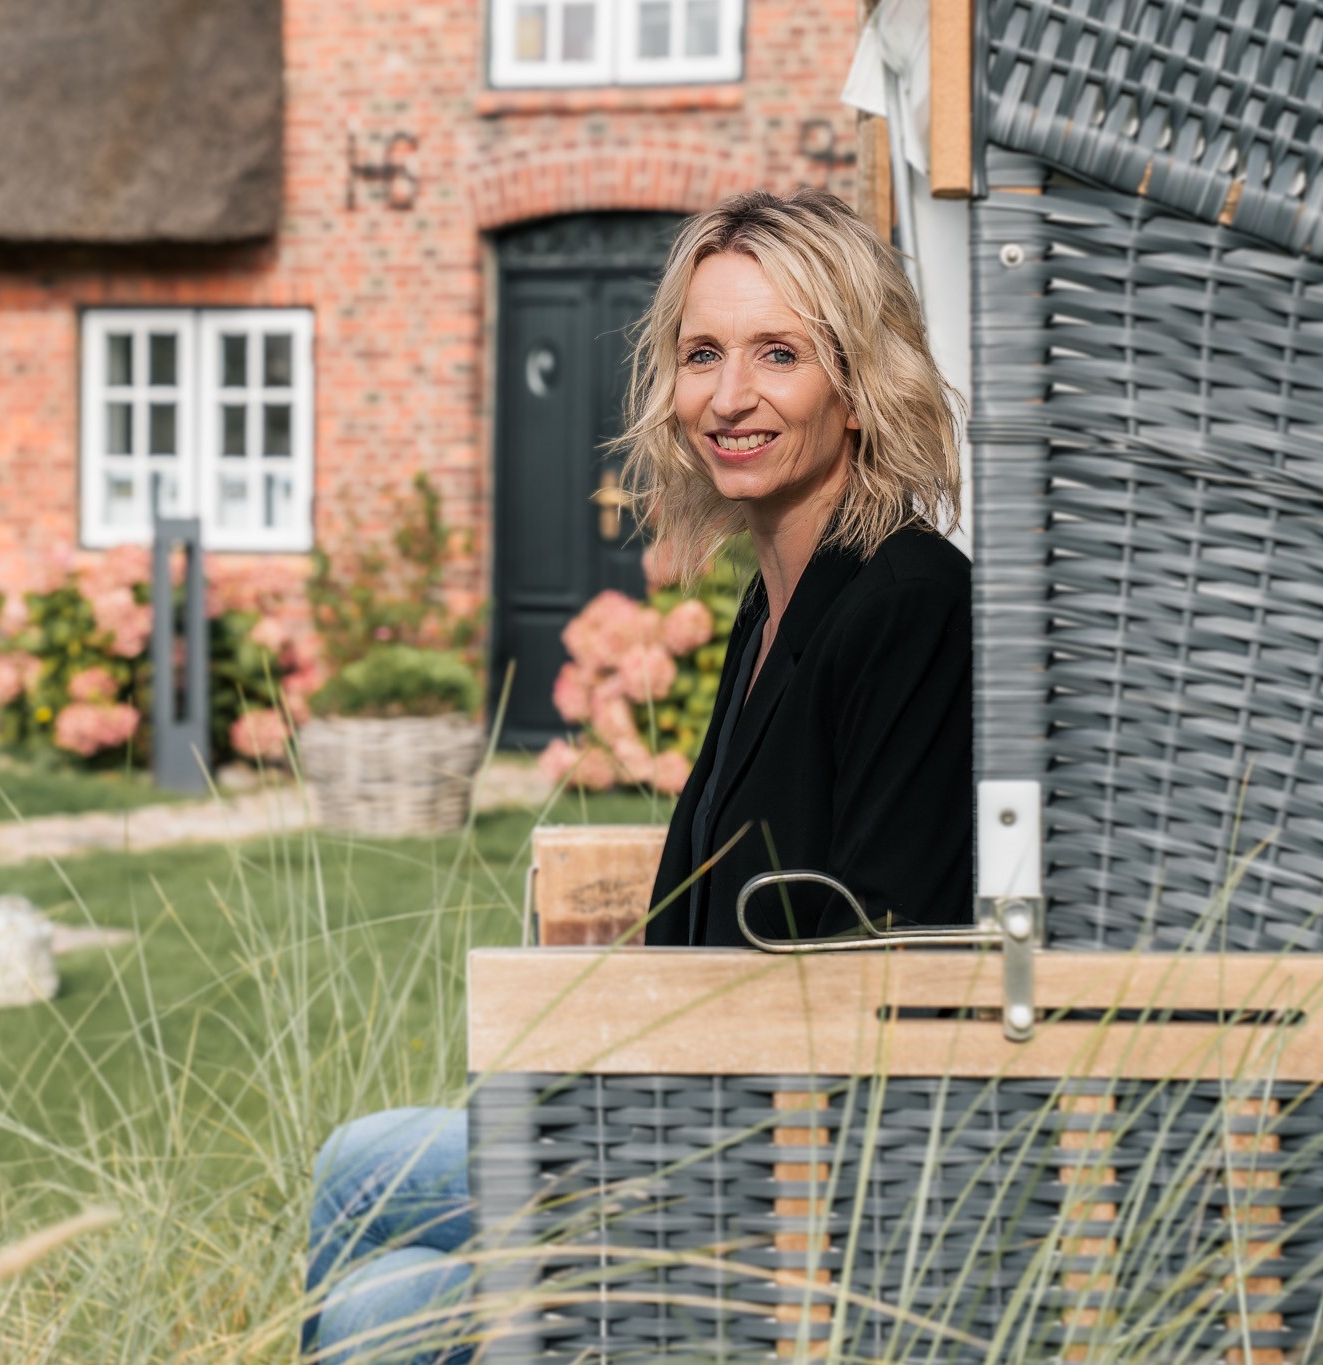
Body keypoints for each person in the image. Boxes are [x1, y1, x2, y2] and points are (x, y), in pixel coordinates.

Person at [304, 185, 970, 1363]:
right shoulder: (777, 601)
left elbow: (885, 970)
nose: (728, 396)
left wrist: (621, 1120)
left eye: (778, 354)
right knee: (357, 1167)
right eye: (700, 354)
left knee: (379, 1305)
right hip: (686, 1110)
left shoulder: (909, 604)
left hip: (779, 1177)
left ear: (859, 381)